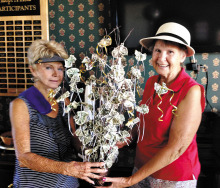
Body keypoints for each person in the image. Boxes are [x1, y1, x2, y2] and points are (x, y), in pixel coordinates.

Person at [99, 22, 206, 187]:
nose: (161, 58)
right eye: (157, 50)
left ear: (183, 56)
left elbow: (176, 149)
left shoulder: (191, 91)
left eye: (170, 52)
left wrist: (129, 181)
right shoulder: (151, 82)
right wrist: (126, 139)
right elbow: (142, 119)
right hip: (142, 167)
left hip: (173, 176)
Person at [9, 39, 106, 188]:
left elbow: (75, 139)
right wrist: (67, 168)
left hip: (68, 184)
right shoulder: (21, 105)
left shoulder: (63, 100)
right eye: (48, 68)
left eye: (60, 68)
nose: (56, 74)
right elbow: (24, 157)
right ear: (33, 70)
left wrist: (95, 156)